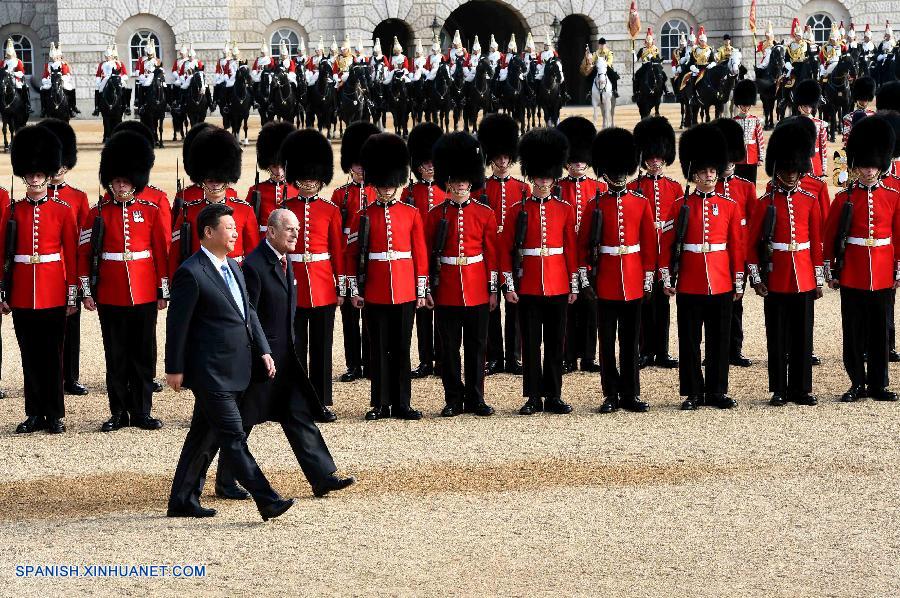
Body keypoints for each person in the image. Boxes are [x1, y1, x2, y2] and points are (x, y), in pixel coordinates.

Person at [213, 208, 355, 500]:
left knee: (298, 415)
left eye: (297, 229)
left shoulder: (284, 258)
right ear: (272, 232)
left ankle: (322, 477)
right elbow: (248, 315)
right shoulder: (254, 265)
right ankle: (225, 481)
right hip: (261, 359)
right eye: (289, 229)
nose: (295, 234)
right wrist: (260, 353)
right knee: (244, 420)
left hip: (284, 357)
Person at [165, 203, 295, 520]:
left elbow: (248, 312)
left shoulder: (234, 267)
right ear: (209, 232)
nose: (236, 233)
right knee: (234, 438)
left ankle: (182, 500)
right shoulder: (191, 272)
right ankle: (267, 500)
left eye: (236, 228)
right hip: (209, 372)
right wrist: (174, 368)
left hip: (236, 368)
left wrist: (263, 349)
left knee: (203, 438)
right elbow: (177, 325)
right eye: (229, 228)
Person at [81, 131, 169, 432]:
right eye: (116, 181)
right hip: (110, 293)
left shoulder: (150, 211)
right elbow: (84, 254)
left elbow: (160, 253)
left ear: (135, 181)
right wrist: (86, 291)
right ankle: (118, 412)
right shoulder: (97, 213)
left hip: (144, 292)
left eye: (126, 181)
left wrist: (162, 290)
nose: (120, 186)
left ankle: (142, 411)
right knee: (115, 355)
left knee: (143, 354)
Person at [659, 124, 744, 410]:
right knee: (690, 339)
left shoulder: (729, 205)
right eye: (704, 171)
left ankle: (717, 391)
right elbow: (667, 244)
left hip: (720, 281)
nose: (709, 175)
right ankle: (693, 391)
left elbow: (736, 246)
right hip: (690, 280)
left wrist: (738, 280)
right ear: (694, 174)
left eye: (712, 171)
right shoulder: (679, 205)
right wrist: (667, 276)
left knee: (719, 339)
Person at [2, 125, 78, 434]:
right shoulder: (12, 211)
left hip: (53, 291)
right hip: (22, 292)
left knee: (53, 355)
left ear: (47, 175)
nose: (34, 179)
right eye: (30, 175)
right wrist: (3, 291)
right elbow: (4, 255)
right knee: (29, 356)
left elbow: (71, 255)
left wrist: (72, 293)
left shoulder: (63, 211)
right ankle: (34, 413)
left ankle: (54, 414)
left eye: (38, 174)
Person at [347, 133, 428, 420]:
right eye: (381, 185)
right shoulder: (363, 214)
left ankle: (402, 403)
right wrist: (355, 290)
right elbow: (352, 256)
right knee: (378, 349)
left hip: (404, 290)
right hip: (375, 289)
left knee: (402, 348)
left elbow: (419, 254)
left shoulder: (411, 213)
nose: (386, 190)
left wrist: (421, 290)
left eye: (390, 185)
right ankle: (381, 402)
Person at [501, 128, 578, 416]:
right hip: (529, 285)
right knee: (531, 344)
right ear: (532, 177)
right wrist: (509, 285)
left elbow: (570, 250)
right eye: (540, 177)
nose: (544, 181)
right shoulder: (516, 210)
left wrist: (573, 284)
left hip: (558, 284)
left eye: (548, 177)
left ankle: (554, 395)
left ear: (554, 177)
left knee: (556, 343)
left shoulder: (565, 209)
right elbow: (506, 251)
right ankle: (533, 396)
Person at [746, 121, 824, 407]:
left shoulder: (809, 200)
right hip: (776, 275)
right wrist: (756, 278)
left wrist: (817, 278)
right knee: (776, 335)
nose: (790, 175)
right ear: (777, 170)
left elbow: (815, 242)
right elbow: (750, 245)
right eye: (786, 170)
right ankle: (779, 388)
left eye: (794, 170)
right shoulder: (764, 202)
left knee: (803, 335)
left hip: (803, 275)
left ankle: (801, 388)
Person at [579, 127, 656, 413]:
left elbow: (649, 246)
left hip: (633, 280)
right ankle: (610, 393)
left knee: (631, 340)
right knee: (607, 341)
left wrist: (648, 280)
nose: (620, 175)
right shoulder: (594, 205)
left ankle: (631, 393)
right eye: (615, 170)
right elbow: (582, 247)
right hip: (606, 280)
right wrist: (586, 279)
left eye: (623, 170)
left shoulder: (640, 203)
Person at [824, 115, 900, 403]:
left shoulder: (893, 196)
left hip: (881, 272)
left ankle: (879, 384)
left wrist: (898, 269)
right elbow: (830, 237)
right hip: (853, 271)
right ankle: (857, 382)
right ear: (856, 167)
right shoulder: (844, 198)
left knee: (880, 332)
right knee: (853, 331)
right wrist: (832, 271)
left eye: (873, 166)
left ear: (880, 166)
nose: (869, 171)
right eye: (864, 166)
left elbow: (898, 236)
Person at [429, 132, 498, 417]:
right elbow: (429, 255)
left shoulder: (485, 213)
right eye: (455, 180)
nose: (460, 185)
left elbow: (491, 255)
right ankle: (453, 398)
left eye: (464, 180)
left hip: (477, 287)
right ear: (447, 182)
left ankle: (476, 397)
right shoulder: (436, 214)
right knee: (449, 348)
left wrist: (493, 290)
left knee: (477, 346)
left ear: (471, 182)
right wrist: (428, 289)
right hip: (447, 288)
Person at [279, 128, 344, 423]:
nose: (307, 182)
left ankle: (320, 401)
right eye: (303, 177)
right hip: (292, 286)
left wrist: (342, 286)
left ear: (320, 178)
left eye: (313, 178)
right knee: (294, 348)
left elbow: (337, 252)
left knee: (321, 347)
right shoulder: (285, 210)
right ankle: (295, 402)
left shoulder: (330, 210)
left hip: (322, 285)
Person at [36, 118, 90, 397]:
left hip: (69, 269)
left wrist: (81, 276)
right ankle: (51, 378)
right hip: (46, 272)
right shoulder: (37, 196)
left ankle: (71, 376)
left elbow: (84, 239)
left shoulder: (78, 197)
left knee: (72, 327)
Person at [477, 113, 529, 375]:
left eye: (506, 157)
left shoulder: (523, 189)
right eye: (497, 158)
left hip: (513, 253)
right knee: (491, 306)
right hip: (489, 255)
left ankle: (514, 356)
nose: (502, 162)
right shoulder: (481, 189)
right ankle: (494, 356)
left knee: (515, 306)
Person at [170, 126, 258, 275]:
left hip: (235, 276)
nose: (215, 184)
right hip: (200, 278)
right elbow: (175, 254)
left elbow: (253, 254)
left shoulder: (245, 210)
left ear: (227, 179)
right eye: (210, 180)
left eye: (219, 179)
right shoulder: (188, 211)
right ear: (202, 179)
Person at [629, 116, 681, 369]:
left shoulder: (675, 188)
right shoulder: (634, 187)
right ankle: (644, 350)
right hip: (643, 253)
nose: (655, 162)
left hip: (666, 252)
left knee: (663, 303)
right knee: (643, 303)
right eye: (650, 158)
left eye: (659, 158)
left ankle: (662, 351)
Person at [331, 121, 380, 382]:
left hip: (371, 263)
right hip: (348, 261)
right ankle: (353, 364)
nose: (361, 170)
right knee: (349, 319)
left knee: (371, 316)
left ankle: (371, 362)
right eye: (357, 166)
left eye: (364, 165)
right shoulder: (341, 195)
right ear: (350, 167)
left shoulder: (377, 191)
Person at [557, 116, 605, 373]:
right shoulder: (557, 188)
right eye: (574, 160)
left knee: (591, 307)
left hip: (589, 255)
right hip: (565, 256)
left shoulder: (599, 188)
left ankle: (588, 355)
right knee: (568, 307)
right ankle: (567, 355)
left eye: (581, 160)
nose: (578, 164)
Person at [402, 122, 447, 378]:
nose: (429, 167)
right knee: (421, 310)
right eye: (425, 163)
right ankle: (425, 359)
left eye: (432, 162)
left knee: (442, 308)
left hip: (442, 256)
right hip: (418, 258)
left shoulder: (446, 190)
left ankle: (441, 358)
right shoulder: (409, 192)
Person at [712, 117, 755, 368]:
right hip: (717, 255)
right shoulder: (710, 187)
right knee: (714, 305)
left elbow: (753, 224)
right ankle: (716, 350)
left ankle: (734, 349)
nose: (728, 164)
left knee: (736, 303)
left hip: (739, 253)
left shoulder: (746, 187)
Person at [245, 121, 299, 233]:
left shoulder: (298, 189)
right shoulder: (256, 190)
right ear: (268, 165)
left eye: (282, 166)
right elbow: (249, 225)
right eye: (274, 166)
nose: (279, 172)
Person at [732, 79, 765, 183]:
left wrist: (760, 158)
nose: (745, 108)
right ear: (739, 105)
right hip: (738, 158)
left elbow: (760, 140)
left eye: (747, 105)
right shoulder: (733, 121)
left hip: (752, 156)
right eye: (743, 105)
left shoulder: (756, 120)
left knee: (751, 183)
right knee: (739, 184)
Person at [794, 80, 829, 177]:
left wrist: (823, 168)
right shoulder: (793, 123)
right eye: (805, 106)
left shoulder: (820, 124)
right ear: (799, 107)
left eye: (810, 106)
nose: (808, 109)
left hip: (815, 165)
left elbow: (823, 148)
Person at [40, 42, 78, 117]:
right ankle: (43, 108)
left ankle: (72, 107)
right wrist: (45, 80)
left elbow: (66, 74)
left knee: (71, 89)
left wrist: (61, 79)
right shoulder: (47, 65)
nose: (53, 59)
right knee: (42, 89)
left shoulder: (62, 64)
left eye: (55, 57)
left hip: (61, 80)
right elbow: (45, 75)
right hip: (50, 81)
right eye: (52, 57)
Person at [842, 77, 877, 146]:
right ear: (857, 99)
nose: (863, 102)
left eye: (865, 100)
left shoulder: (874, 115)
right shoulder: (849, 118)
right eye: (861, 100)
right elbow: (847, 140)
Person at [134, 40, 164, 116]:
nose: (150, 56)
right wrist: (143, 76)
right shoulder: (144, 62)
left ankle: (166, 104)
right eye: (149, 55)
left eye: (151, 55)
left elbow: (161, 70)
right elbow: (141, 72)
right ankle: (142, 104)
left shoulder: (157, 61)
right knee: (143, 86)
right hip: (146, 77)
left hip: (155, 77)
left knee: (164, 86)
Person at [3, 38, 31, 114]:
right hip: (5, 79)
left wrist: (13, 73)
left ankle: (27, 105)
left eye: (10, 55)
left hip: (15, 79)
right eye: (8, 55)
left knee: (25, 87)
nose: (9, 56)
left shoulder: (18, 61)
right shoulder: (3, 62)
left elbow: (22, 72)